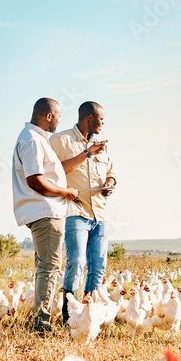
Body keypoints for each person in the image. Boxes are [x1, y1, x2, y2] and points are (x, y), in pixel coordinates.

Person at [11, 97, 105, 332]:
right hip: (45, 211)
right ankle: (41, 324)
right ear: (49, 116)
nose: (59, 122)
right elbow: (35, 180)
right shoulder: (33, 140)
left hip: (44, 211)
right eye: (59, 117)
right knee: (50, 267)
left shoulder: (35, 139)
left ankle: (40, 319)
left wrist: (87, 155)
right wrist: (65, 191)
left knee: (45, 266)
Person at [49, 101, 117, 323]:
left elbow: (111, 171)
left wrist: (109, 183)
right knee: (76, 262)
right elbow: (56, 172)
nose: (103, 123)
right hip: (75, 211)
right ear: (89, 117)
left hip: (100, 213)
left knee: (98, 265)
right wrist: (87, 153)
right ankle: (70, 314)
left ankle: (91, 314)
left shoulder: (103, 145)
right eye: (101, 118)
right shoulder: (61, 140)